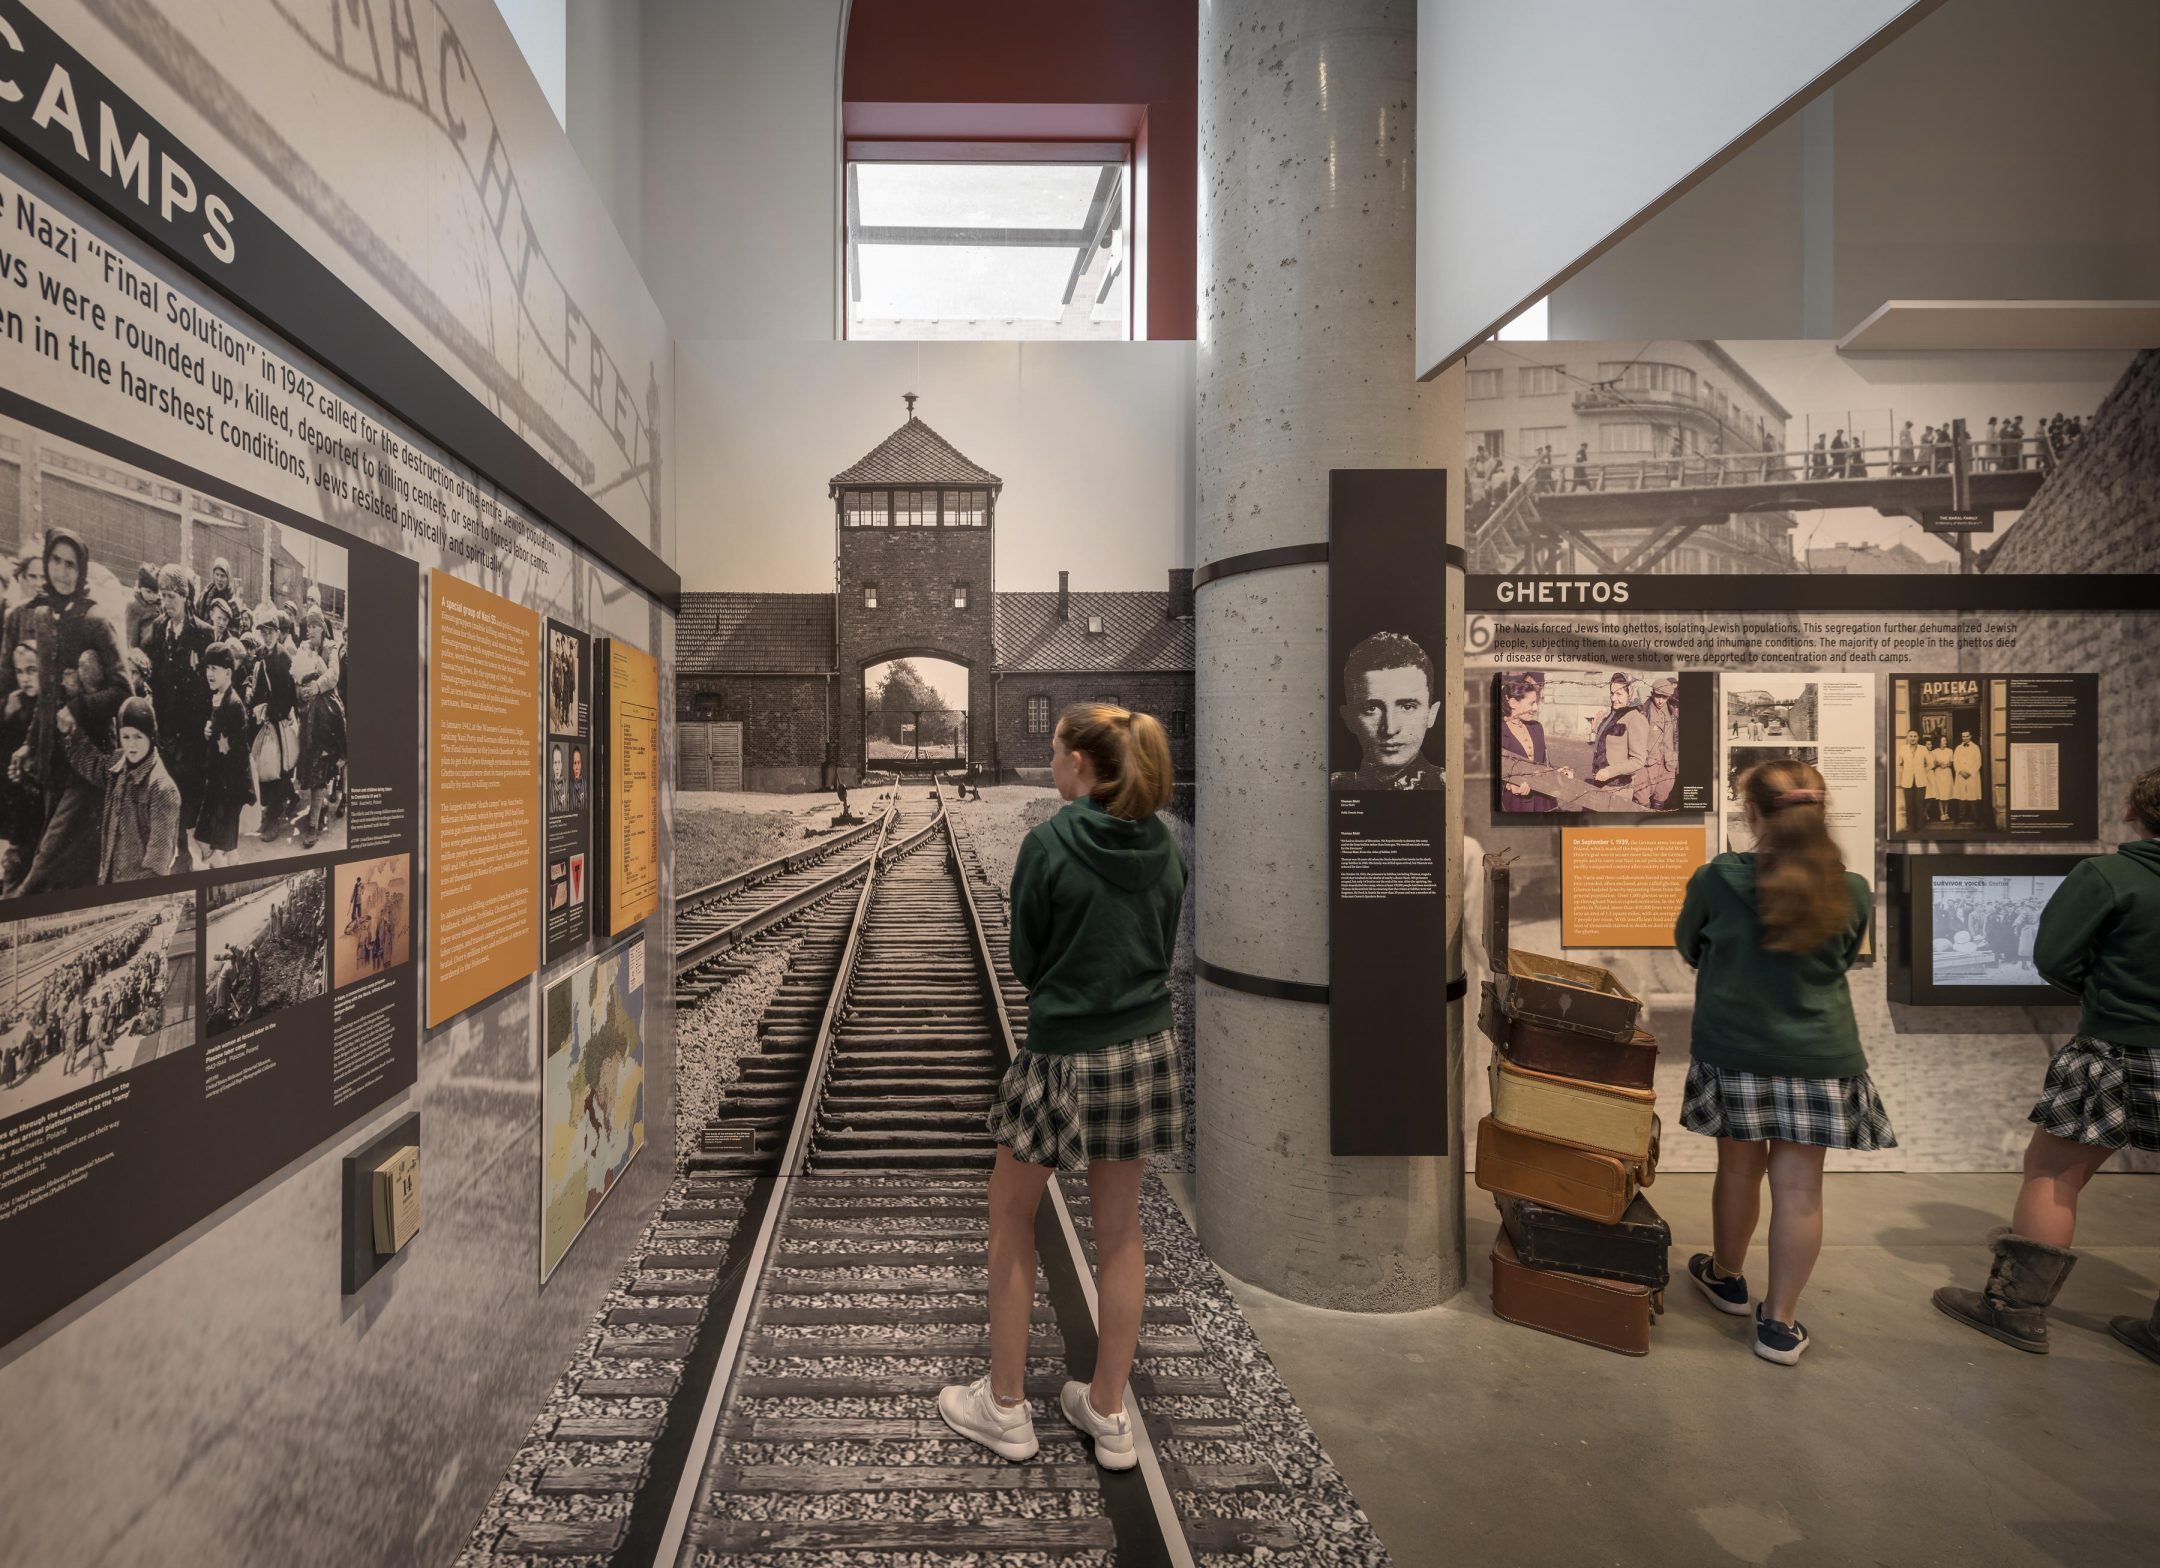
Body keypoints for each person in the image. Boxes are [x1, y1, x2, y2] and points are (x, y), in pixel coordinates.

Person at [939, 704, 1185, 1470]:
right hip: (1144, 1053)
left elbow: (1026, 959)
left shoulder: (1048, 844)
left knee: (1012, 1219)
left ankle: (1006, 1409)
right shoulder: (1166, 847)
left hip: (1063, 1056)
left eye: (1054, 753)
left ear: (1081, 764)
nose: (1049, 764)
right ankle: (1108, 1411)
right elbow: (1162, 944)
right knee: (1121, 1232)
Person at [1932, 767, 2160, 1360]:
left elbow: (2054, 955)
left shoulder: (2111, 875)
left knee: (2055, 1173)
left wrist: (2102, 991)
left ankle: (2015, 1310)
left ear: (2134, 812)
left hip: (2120, 1045)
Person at [1675, 759, 1890, 1366]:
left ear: (1753, 814)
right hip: (1820, 1056)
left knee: (1738, 1173)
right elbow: (1845, 956)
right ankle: (1779, 1323)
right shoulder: (1850, 890)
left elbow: (1689, 943)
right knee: (1800, 1190)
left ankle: (1725, 1276)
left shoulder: (1719, 879)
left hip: (1736, 1050)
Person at [83, 697, 181, 884]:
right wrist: (70, 735)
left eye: (138, 737)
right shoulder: (119, 769)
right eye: (126, 737)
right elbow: (91, 763)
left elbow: (158, 861)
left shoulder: (162, 788)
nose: (132, 745)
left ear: (151, 736)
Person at [1330, 631, 1444, 791]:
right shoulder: (1333, 788)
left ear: (1431, 714)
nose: (1390, 729)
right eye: (1372, 709)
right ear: (1349, 719)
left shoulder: (1448, 787)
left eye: (1407, 707)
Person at [195, 642, 253, 868]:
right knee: (221, 842)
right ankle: (230, 863)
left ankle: (225, 870)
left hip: (228, 785)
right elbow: (220, 734)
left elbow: (237, 752)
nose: (209, 673)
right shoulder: (218, 697)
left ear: (228, 672)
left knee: (217, 844)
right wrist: (209, 730)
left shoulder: (234, 704)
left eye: (215, 669)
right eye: (207, 668)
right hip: (220, 781)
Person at [1497, 670, 1564, 812]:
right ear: (1513, 703)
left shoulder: (1536, 727)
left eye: (1537, 702)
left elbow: (1545, 763)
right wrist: (1509, 786)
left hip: (1544, 802)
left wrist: (1558, 771)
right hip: (1516, 805)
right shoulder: (1498, 731)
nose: (1536, 708)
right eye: (1531, 703)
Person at [1588, 672, 1650, 797]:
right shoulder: (1612, 714)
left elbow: (1638, 760)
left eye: (1619, 694)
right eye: (1612, 693)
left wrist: (1609, 771)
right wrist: (1595, 730)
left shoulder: (1636, 719)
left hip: (1618, 789)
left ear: (1631, 694)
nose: (1613, 698)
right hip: (1601, 783)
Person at [1632, 676, 1680, 809]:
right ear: (1652, 694)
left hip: (1667, 765)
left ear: (1668, 697)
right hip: (1647, 765)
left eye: (1664, 698)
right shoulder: (1643, 712)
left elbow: (1675, 738)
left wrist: (1676, 758)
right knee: (1642, 800)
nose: (1660, 701)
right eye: (1657, 696)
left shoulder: (1672, 714)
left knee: (1661, 799)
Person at [1896, 728, 1929, 832]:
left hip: (1921, 780)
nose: (1913, 738)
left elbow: (1931, 763)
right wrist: (1904, 772)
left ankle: (1920, 826)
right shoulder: (1902, 749)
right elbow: (1898, 764)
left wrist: (1923, 771)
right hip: (1907, 781)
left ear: (1918, 738)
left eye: (1915, 736)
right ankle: (1910, 826)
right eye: (1910, 736)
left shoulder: (1923, 749)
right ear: (1907, 737)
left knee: (1920, 804)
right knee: (1909, 804)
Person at [1952, 728, 1985, 827]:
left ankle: (1976, 817)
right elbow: (1955, 761)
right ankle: (1960, 816)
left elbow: (1978, 762)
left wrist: (1970, 772)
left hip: (1972, 776)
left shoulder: (1975, 748)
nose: (1965, 738)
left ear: (1970, 736)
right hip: (1961, 775)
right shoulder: (1958, 748)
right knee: (1961, 796)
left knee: (1973, 796)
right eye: (1963, 736)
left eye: (1967, 736)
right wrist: (1960, 771)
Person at [1926, 734, 1955, 825]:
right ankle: (1941, 813)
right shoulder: (1934, 752)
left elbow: (1951, 763)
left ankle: (1946, 813)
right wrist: (1939, 764)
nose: (1945, 742)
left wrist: (1946, 765)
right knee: (1940, 794)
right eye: (1943, 741)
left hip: (1947, 773)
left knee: (1947, 794)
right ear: (1939, 742)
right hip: (1938, 774)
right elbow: (1933, 763)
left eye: (1945, 741)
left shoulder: (1950, 751)